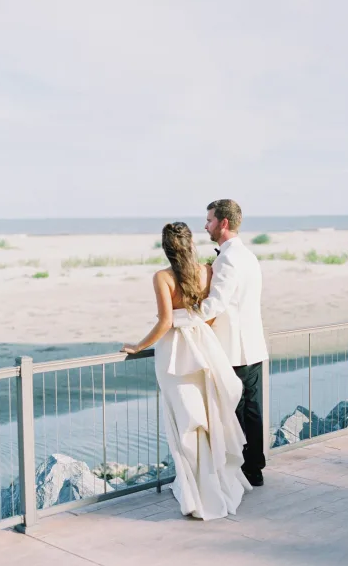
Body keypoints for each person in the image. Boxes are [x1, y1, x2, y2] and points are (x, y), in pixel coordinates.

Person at [120, 222, 251, 520]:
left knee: (185, 422)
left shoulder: (162, 277)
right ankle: (212, 483)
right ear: (190, 243)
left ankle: (196, 492)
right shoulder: (206, 270)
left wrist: (139, 346)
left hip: (176, 353)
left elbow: (166, 321)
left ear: (166, 248)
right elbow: (209, 315)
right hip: (204, 347)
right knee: (208, 416)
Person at [200, 199, 268, 487]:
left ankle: (241, 472)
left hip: (234, 350)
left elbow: (216, 304)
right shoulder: (249, 256)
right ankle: (255, 467)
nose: (206, 225)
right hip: (252, 345)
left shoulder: (227, 259)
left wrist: (186, 317)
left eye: (210, 220)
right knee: (252, 411)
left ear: (223, 223)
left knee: (235, 415)